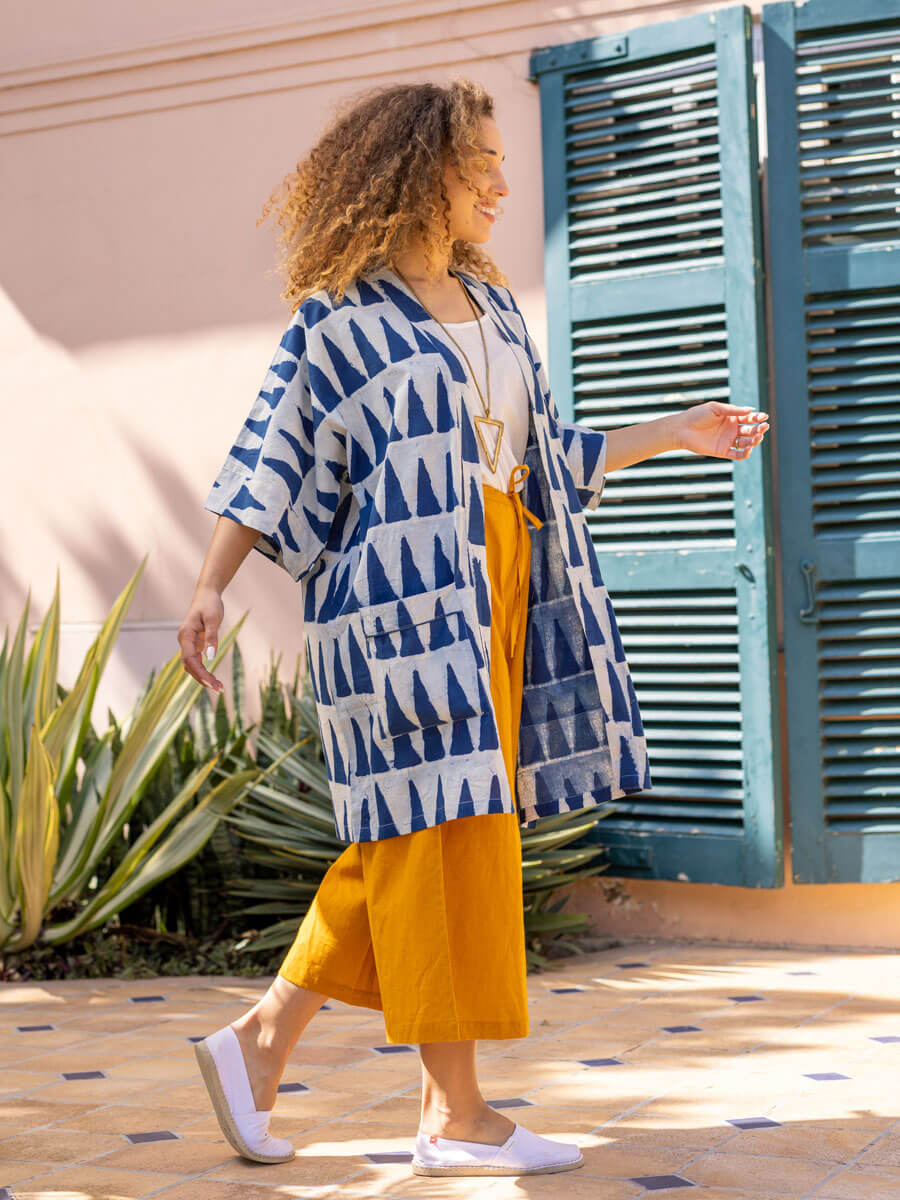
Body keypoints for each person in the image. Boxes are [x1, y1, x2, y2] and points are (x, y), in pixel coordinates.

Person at [178, 77, 770, 1179]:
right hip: (397, 610)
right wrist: (211, 585)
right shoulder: (341, 322)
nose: (502, 182)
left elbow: (541, 458)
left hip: (502, 590)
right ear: (418, 172)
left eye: (502, 161)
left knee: (436, 835)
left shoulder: (495, 311)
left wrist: (675, 430)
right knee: (431, 836)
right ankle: (447, 1114)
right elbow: (271, 457)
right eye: (479, 163)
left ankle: (272, 1050)